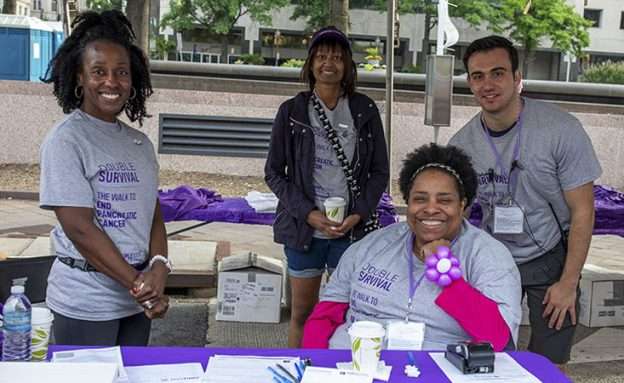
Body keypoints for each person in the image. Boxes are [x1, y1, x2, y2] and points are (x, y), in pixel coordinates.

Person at [449, 35, 602, 365]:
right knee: (486, 354)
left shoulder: (560, 129)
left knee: (548, 359)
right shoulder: (462, 145)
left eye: (498, 72)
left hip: (549, 255)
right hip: (493, 258)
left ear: (518, 78)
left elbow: (583, 211)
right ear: (469, 83)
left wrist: (568, 282)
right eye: (478, 76)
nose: (487, 84)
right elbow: (451, 213)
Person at [301, 144, 521, 351]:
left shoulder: (488, 256)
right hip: (353, 365)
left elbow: (499, 340)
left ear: (462, 204)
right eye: (420, 199)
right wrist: (315, 366)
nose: (431, 209)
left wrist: (447, 276)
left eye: (444, 201)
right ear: (408, 202)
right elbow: (324, 317)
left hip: (436, 370)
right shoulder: (371, 245)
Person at [40, 10, 171, 346]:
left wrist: (159, 266)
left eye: (121, 72)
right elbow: (80, 229)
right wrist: (141, 286)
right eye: (98, 71)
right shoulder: (66, 140)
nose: (111, 82)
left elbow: (151, 211)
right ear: (79, 77)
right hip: (85, 302)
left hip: (134, 300)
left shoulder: (140, 144)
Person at [265, 26, 389, 348]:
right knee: (302, 313)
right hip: (304, 232)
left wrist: (359, 214)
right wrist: (308, 213)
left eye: (336, 56)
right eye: (321, 56)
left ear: (347, 64)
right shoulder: (291, 111)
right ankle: (298, 371)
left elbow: (380, 172)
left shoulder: (365, 109)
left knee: (345, 313)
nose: (328, 63)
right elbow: (274, 173)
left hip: (350, 232)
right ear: (310, 64)